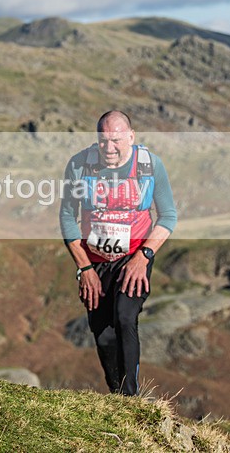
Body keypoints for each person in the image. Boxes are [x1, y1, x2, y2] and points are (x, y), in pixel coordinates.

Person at [59, 110, 177, 395]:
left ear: (131, 137)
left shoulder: (149, 166)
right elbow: (66, 217)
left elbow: (168, 217)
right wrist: (85, 269)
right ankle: (117, 394)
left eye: (116, 140)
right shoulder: (79, 166)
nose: (109, 148)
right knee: (102, 332)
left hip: (134, 258)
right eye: (103, 141)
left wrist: (143, 257)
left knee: (125, 316)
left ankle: (132, 396)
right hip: (94, 260)